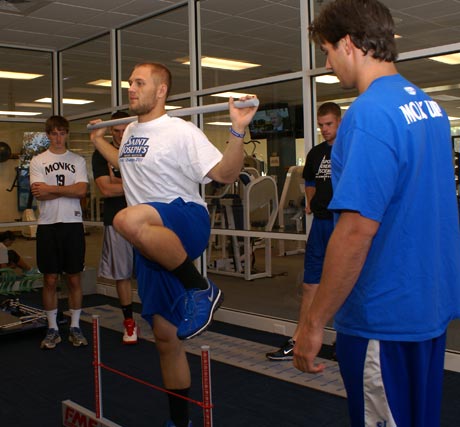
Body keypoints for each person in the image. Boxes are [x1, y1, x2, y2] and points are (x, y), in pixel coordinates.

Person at [293, 1, 460, 426]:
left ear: (349, 44)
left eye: (328, 51)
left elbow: (354, 233)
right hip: (427, 308)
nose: (328, 64)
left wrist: (313, 324)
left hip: (382, 317)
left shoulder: (366, 116)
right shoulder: (431, 109)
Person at [89, 62, 258, 427]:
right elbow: (126, 162)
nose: (130, 88)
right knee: (166, 338)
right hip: (152, 241)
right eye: (129, 82)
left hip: (184, 220)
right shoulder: (132, 131)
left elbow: (224, 175)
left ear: (161, 89)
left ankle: (202, 288)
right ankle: (180, 422)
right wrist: (98, 140)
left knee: (124, 219)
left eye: (139, 83)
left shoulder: (182, 130)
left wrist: (238, 130)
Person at [266, 102, 341, 361]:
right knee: (311, 285)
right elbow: (310, 179)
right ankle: (299, 340)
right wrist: (309, 200)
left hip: (342, 224)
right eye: (321, 125)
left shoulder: (351, 149)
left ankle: (346, 340)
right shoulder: (317, 152)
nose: (324, 129)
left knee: (346, 283)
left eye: (329, 124)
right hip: (320, 224)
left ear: (339, 122)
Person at [30, 115, 89, 350]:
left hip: (72, 224)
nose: (58, 137)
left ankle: (75, 326)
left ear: (67, 134)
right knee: (50, 279)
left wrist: (52, 188)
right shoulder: (38, 160)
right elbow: (38, 194)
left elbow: (82, 191)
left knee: (74, 277)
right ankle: (53, 328)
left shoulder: (77, 160)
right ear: (48, 135)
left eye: (62, 133)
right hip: (47, 225)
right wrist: (68, 190)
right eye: (54, 133)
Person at [92, 111, 138, 345]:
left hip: (144, 220)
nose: (120, 136)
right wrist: (137, 183)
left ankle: (159, 315)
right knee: (122, 275)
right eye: (116, 131)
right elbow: (106, 190)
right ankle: (129, 322)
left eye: (124, 130)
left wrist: (118, 180)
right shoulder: (100, 154)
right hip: (116, 219)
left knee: (151, 271)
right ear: (110, 131)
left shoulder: (140, 150)